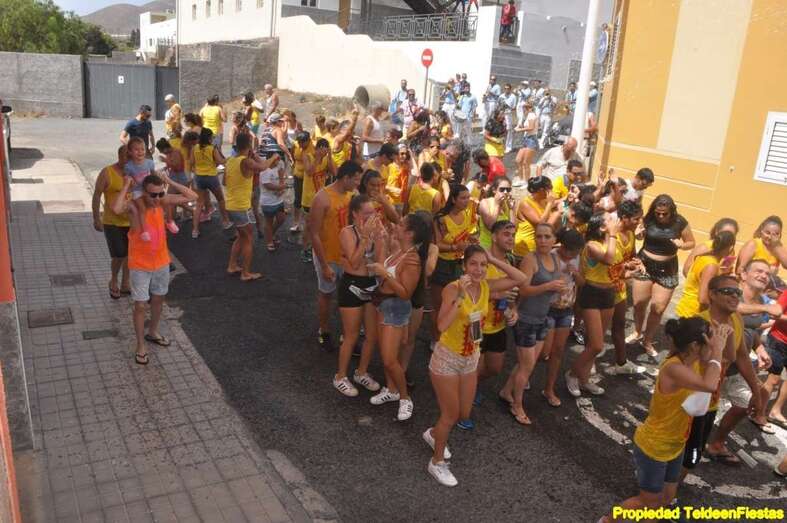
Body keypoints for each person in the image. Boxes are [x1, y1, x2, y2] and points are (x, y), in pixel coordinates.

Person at [597, 317, 727, 523]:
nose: (712, 345)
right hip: (654, 447)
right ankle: (607, 521)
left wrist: (714, 344)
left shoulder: (690, 362)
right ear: (695, 345)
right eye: (708, 341)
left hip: (675, 445)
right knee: (647, 501)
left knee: (666, 498)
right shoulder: (674, 368)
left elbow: (710, 367)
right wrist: (717, 351)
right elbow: (710, 384)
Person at [424, 244, 526, 486]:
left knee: (463, 412)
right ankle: (437, 462)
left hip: (471, 359)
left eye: (483, 264)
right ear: (463, 265)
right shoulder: (452, 288)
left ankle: (433, 433)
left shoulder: (486, 286)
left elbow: (520, 278)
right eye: (473, 264)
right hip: (447, 359)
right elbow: (441, 325)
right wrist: (459, 295)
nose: (479, 269)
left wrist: (493, 258)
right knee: (450, 415)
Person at [111, 173, 197, 364]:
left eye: (160, 194)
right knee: (140, 305)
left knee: (158, 299)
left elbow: (193, 197)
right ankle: (140, 345)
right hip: (140, 265)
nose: (157, 199)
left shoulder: (161, 201)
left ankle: (153, 332)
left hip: (161, 262)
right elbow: (116, 208)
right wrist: (126, 185)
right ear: (144, 192)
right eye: (153, 195)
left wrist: (171, 181)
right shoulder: (134, 205)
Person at [680, 275, 763, 472]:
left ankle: (669, 493)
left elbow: (741, 356)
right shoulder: (698, 325)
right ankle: (658, 493)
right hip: (687, 401)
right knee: (675, 449)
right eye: (728, 291)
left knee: (693, 454)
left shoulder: (736, 319)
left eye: (738, 292)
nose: (735, 296)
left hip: (710, 401)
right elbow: (679, 365)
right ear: (712, 295)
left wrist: (757, 394)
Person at [366, 213, 433, 420]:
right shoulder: (401, 251)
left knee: (388, 359)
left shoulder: (412, 259)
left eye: (401, 224)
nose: (397, 225)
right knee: (388, 356)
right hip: (384, 304)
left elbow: (405, 293)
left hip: (395, 309)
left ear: (410, 233)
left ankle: (405, 398)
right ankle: (392, 390)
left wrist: (384, 274)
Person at [501, 223, 565, 425]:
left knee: (525, 364)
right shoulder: (530, 259)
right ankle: (517, 406)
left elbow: (554, 285)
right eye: (539, 237)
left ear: (555, 239)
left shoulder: (555, 258)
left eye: (547, 236)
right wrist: (548, 286)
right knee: (527, 367)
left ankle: (506, 391)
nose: (543, 240)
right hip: (526, 319)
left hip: (542, 318)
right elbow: (523, 290)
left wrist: (558, 292)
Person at [333, 195, 385, 397]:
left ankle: (361, 372)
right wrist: (365, 238)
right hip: (352, 285)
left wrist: (380, 238)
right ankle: (340, 376)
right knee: (351, 335)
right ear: (354, 214)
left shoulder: (376, 232)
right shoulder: (347, 232)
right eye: (366, 214)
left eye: (373, 213)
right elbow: (354, 263)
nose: (371, 217)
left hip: (371, 285)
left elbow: (379, 263)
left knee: (372, 335)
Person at [630, 195, 695, 357]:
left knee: (658, 308)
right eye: (658, 213)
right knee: (638, 303)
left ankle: (647, 340)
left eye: (664, 214)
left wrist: (682, 245)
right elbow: (640, 235)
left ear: (671, 211)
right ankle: (637, 331)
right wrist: (638, 234)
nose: (660, 216)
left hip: (667, 268)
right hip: (644, 264)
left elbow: (691, 243)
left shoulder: (680, 222)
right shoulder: (649, 219)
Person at [308, 161, 364, 352]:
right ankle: (324, 330)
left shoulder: (353, 195)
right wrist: (324, 265)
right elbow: (313, 233)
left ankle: (348, 336)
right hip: (329, 257)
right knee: (326, 295)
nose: (358, 183)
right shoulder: (322, 198)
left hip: (348, 257)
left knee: (349, 298)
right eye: (355, 179)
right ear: (345, 177)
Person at [566, 214, 621, 397]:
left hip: (609, 293)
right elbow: (608, 259)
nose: (615, 220)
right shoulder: (591, 245)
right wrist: (613, 235)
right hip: (591, 293)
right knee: (597, 345)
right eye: (609, 220)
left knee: (593, 343)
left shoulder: (613, 242)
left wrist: (629, 268)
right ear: (602, 227)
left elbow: (615, 266)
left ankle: (584, 379)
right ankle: (572, 374)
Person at [473, 221, 518, 406]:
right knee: (472, 366)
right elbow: (471, 291)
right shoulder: (481, 261)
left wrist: (514, 310)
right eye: (506, 234)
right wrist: (497, 294)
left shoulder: (511, 261)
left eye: (513, 235)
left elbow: (513, 292)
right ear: (493, 236)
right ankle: (465, 396)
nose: (511, 238)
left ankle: (469, 385)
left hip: (498, 325)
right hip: (476, 323)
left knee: (494, 368)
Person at [737, 259, 784, 429]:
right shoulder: (731, 291)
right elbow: (732, 306)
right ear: (743, 274)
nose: (763, 276)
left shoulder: (761, 301)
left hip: (739, 364)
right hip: (717, 361)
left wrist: (760, 348)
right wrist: (765, 309)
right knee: (700, 407)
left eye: (767, 274)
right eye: (758, 271)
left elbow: (754, 329)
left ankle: (716, 443)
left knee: (743, 405)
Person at [541, 228, 585, 406]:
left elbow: (582, 283)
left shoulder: (576, 258)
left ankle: (549, 389)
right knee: (543, 351)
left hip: (566, 310)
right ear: (564, 248)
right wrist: (555, 279)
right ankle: (523, 373)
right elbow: (538, 282)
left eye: (575, 253)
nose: (571, 256)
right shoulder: (551, 256)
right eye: (570, 252)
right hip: (548, 308)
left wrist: (574, 273)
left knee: (558, 351)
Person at [225, 134, 278, 279]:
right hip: (239, 206)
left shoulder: (230, 160)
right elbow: (262, 167)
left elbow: (224, 181)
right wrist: (272, 158)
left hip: (230, 204)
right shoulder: (246, 162)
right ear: (249, 145)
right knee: (248, 238)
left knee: (241, 237)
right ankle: (246, 273)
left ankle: (232, 265)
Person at [431, 185, 477, 347]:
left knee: (457, 302)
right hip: (442, 264)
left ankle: (451, 337)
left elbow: (465, 236)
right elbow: (437, 244)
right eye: (463, 198)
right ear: (453, 199)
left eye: (468, 197)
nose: (466, 201)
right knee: (439, 304)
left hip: (459, 264)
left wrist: (471, 240)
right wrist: (455, 247)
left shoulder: (466, 214)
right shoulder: (441, 219)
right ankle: (436, 339)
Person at [607, 200, 647, 376]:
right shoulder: (611, 237)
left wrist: (636, 262)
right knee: (598, 334)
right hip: (605, 287)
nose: (639, 222)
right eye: (636, 219)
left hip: (619, 287)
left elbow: (630, 256)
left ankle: (621, 363)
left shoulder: (630, 235)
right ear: (624, 218)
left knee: (619, 324)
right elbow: (610, 268)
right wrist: (632, 274)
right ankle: (583, 371)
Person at [92, 145, 131, 299]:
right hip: (112, 222)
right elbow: (96, 195)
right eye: (125, 157)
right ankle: (113, 280)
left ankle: (125, 283)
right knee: (119, 254)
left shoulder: (136, 173)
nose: (128, 160)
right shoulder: (107, 172)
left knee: (130, 254)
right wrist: (96, 217)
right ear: (119, 156)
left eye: (130, 157)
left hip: (131, 221)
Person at [674, 231, 736, 318]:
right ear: (730, 248)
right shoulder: (711, 266)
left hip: (685, 309)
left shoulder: (703, 257)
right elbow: (703, 299)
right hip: (693, 315)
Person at [190, 128, 230, 238]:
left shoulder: (195, 148)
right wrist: (228, 159)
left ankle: (195, 230)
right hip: (211, 177)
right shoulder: (212, 148)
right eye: (212, 137)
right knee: (221, 199)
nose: (213, 138)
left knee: (199, 204)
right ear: (208, 138)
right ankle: (226, 222)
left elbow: (192, 162)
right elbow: (220, 162)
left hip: (199, 177)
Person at [301, 138, 336, 263]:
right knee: (309, 226)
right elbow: (309, 172)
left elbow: (334, 172)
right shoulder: (307, 156)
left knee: (321, 225)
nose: (325, 153)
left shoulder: (326, 158)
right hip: (309, 199)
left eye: (327, 151)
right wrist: (317, 158)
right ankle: (305, 249)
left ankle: (316, 248)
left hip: (321, 199)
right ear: (319, 148)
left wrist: (330, 156)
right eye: (324, 150)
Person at [513, 176, 561, 258]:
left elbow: (558, 202)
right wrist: (549, 204)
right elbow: (540, 224)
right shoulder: (525, 203)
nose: (552, 191)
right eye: (550, 188)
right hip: (525, 250)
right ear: (541, 190)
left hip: (539, 246)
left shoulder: (542, 200)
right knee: (556, 215)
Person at [477, 177, 513, 249]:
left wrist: (512, 208)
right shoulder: (485, 203)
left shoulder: (507, 204)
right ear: (494, 190)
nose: (505, 192)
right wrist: (498, 205)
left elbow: (514, 228)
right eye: (502, 189)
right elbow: (490, 226)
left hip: (503, 248)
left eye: (508, 190)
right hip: (487, 247)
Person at [290, 131, 312, 233]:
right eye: (298, 142)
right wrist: (293, 164)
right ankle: (296, 222)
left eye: (302, 143)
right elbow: (292, 153)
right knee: (297, 200)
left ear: (308, 141)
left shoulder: (313, 148)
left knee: (308, 202)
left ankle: (306, 223)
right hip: (298, 176)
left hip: (309, 178)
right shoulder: (296, 145)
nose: (300, 145)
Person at [514, 101, 539, 183]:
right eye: (525, 107)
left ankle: (526, 181)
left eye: (527, 107)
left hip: (531, 139)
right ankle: (521, 180)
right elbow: (528, 126)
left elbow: (531, 127)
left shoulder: (531, 115)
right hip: (526, 138)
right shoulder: (528, 116)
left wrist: (520, 129)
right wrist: (521, 126)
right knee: (518, 160)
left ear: (531, 108)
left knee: (526, 163)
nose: (525, 109)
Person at [386, 144, 414, 214]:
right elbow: (381, 185)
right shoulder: (389, 166)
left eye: (405, 154)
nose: (404, 156)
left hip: (403, 202)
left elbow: (416, 173)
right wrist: (391, 189)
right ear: (395, 154)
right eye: (401, 154)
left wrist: (411, 156)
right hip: (390, 202)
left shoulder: (406, 166)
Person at [498, 84, 517, 153]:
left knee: (509, 131)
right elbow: (498, 105)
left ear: (510, 89)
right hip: (501, 114)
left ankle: (508, 147)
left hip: (509, 115)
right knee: (501, 131)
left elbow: (514, 108)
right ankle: (500, 146)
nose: (506, 90)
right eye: (505, 88)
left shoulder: (513, 97)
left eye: (508, 88)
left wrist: (507, 107)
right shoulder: (501, 96)